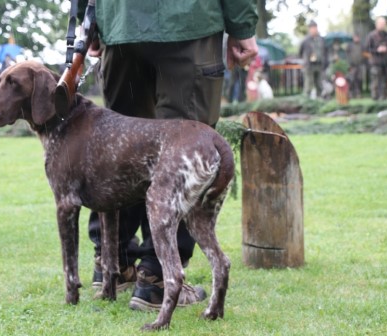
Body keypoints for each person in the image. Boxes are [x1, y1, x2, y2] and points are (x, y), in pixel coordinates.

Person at [78, 1, 258, 311]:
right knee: (186, 149)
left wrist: (88, 20)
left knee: (122, 150)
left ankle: (112, 265)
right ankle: (156, 279)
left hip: (120, 22)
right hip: (189, 20)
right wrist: (242, 26)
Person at [365, 17, 387, 101]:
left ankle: (384, 99)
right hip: (375, 63)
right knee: (376, 82)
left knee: (385, 82)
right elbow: (366, 50)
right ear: (376, 24)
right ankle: (375, 100)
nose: (382, 25)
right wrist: (377, 50)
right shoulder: (371, 36)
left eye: (383, 24)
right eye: (380, 24)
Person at [299, 20, 327, 98]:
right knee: (308, 84)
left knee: (319, 84)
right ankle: (306, 101)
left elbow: (325, 51)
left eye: (315, 27)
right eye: (312, 28)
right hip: (309, 65)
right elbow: (300, 52)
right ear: (309, 29)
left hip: (319, 64)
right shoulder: (305, 40)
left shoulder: (321, 39)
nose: (314, 29)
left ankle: (319, 100)